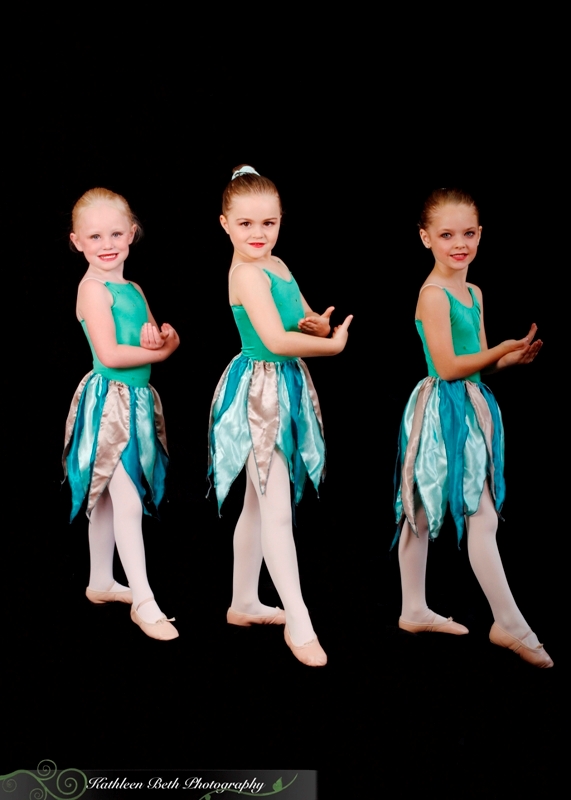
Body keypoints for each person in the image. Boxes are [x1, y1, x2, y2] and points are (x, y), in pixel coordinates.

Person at [393, 187, 552, 667]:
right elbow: (446, 367)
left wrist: (508, 360)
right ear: (426, 238)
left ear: (480, 235)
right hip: (440, 409)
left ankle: (415, 609)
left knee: (447, 513)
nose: (458, 244)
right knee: (434, 510)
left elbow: (476, 362)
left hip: (471, 405)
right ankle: (509, 624)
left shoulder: (474, 292)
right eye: (446, 235)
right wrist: (498, 349)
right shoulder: (432, 295)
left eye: (467, 233)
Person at [208, 165, 352, 667]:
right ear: (225, 224)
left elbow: (300, 321)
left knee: (256, 502)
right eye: (246, 224)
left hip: (285, 385)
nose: (258, 234)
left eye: (268, 223)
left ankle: (244, 602)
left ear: (281, 221)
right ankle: (299, 620)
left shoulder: (277, 263)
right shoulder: (245, 274)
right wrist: (333, 347)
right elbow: (273, 339)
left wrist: (319, 327)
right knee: (275, 507)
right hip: (258, 394)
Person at [63, 188, 180, 641]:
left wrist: (163, 338)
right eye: (95, 236)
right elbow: (111, 354)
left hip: (136, 401)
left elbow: (150, 338)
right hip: (108, 404)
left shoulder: (133, 289)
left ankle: (100, 581)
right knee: (126, 499)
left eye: (115, 233)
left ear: (132, 233)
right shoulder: (91, 289)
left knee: (109, 500)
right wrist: (161, 352)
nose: (107, 244)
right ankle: (144, 602)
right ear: (77, 242)